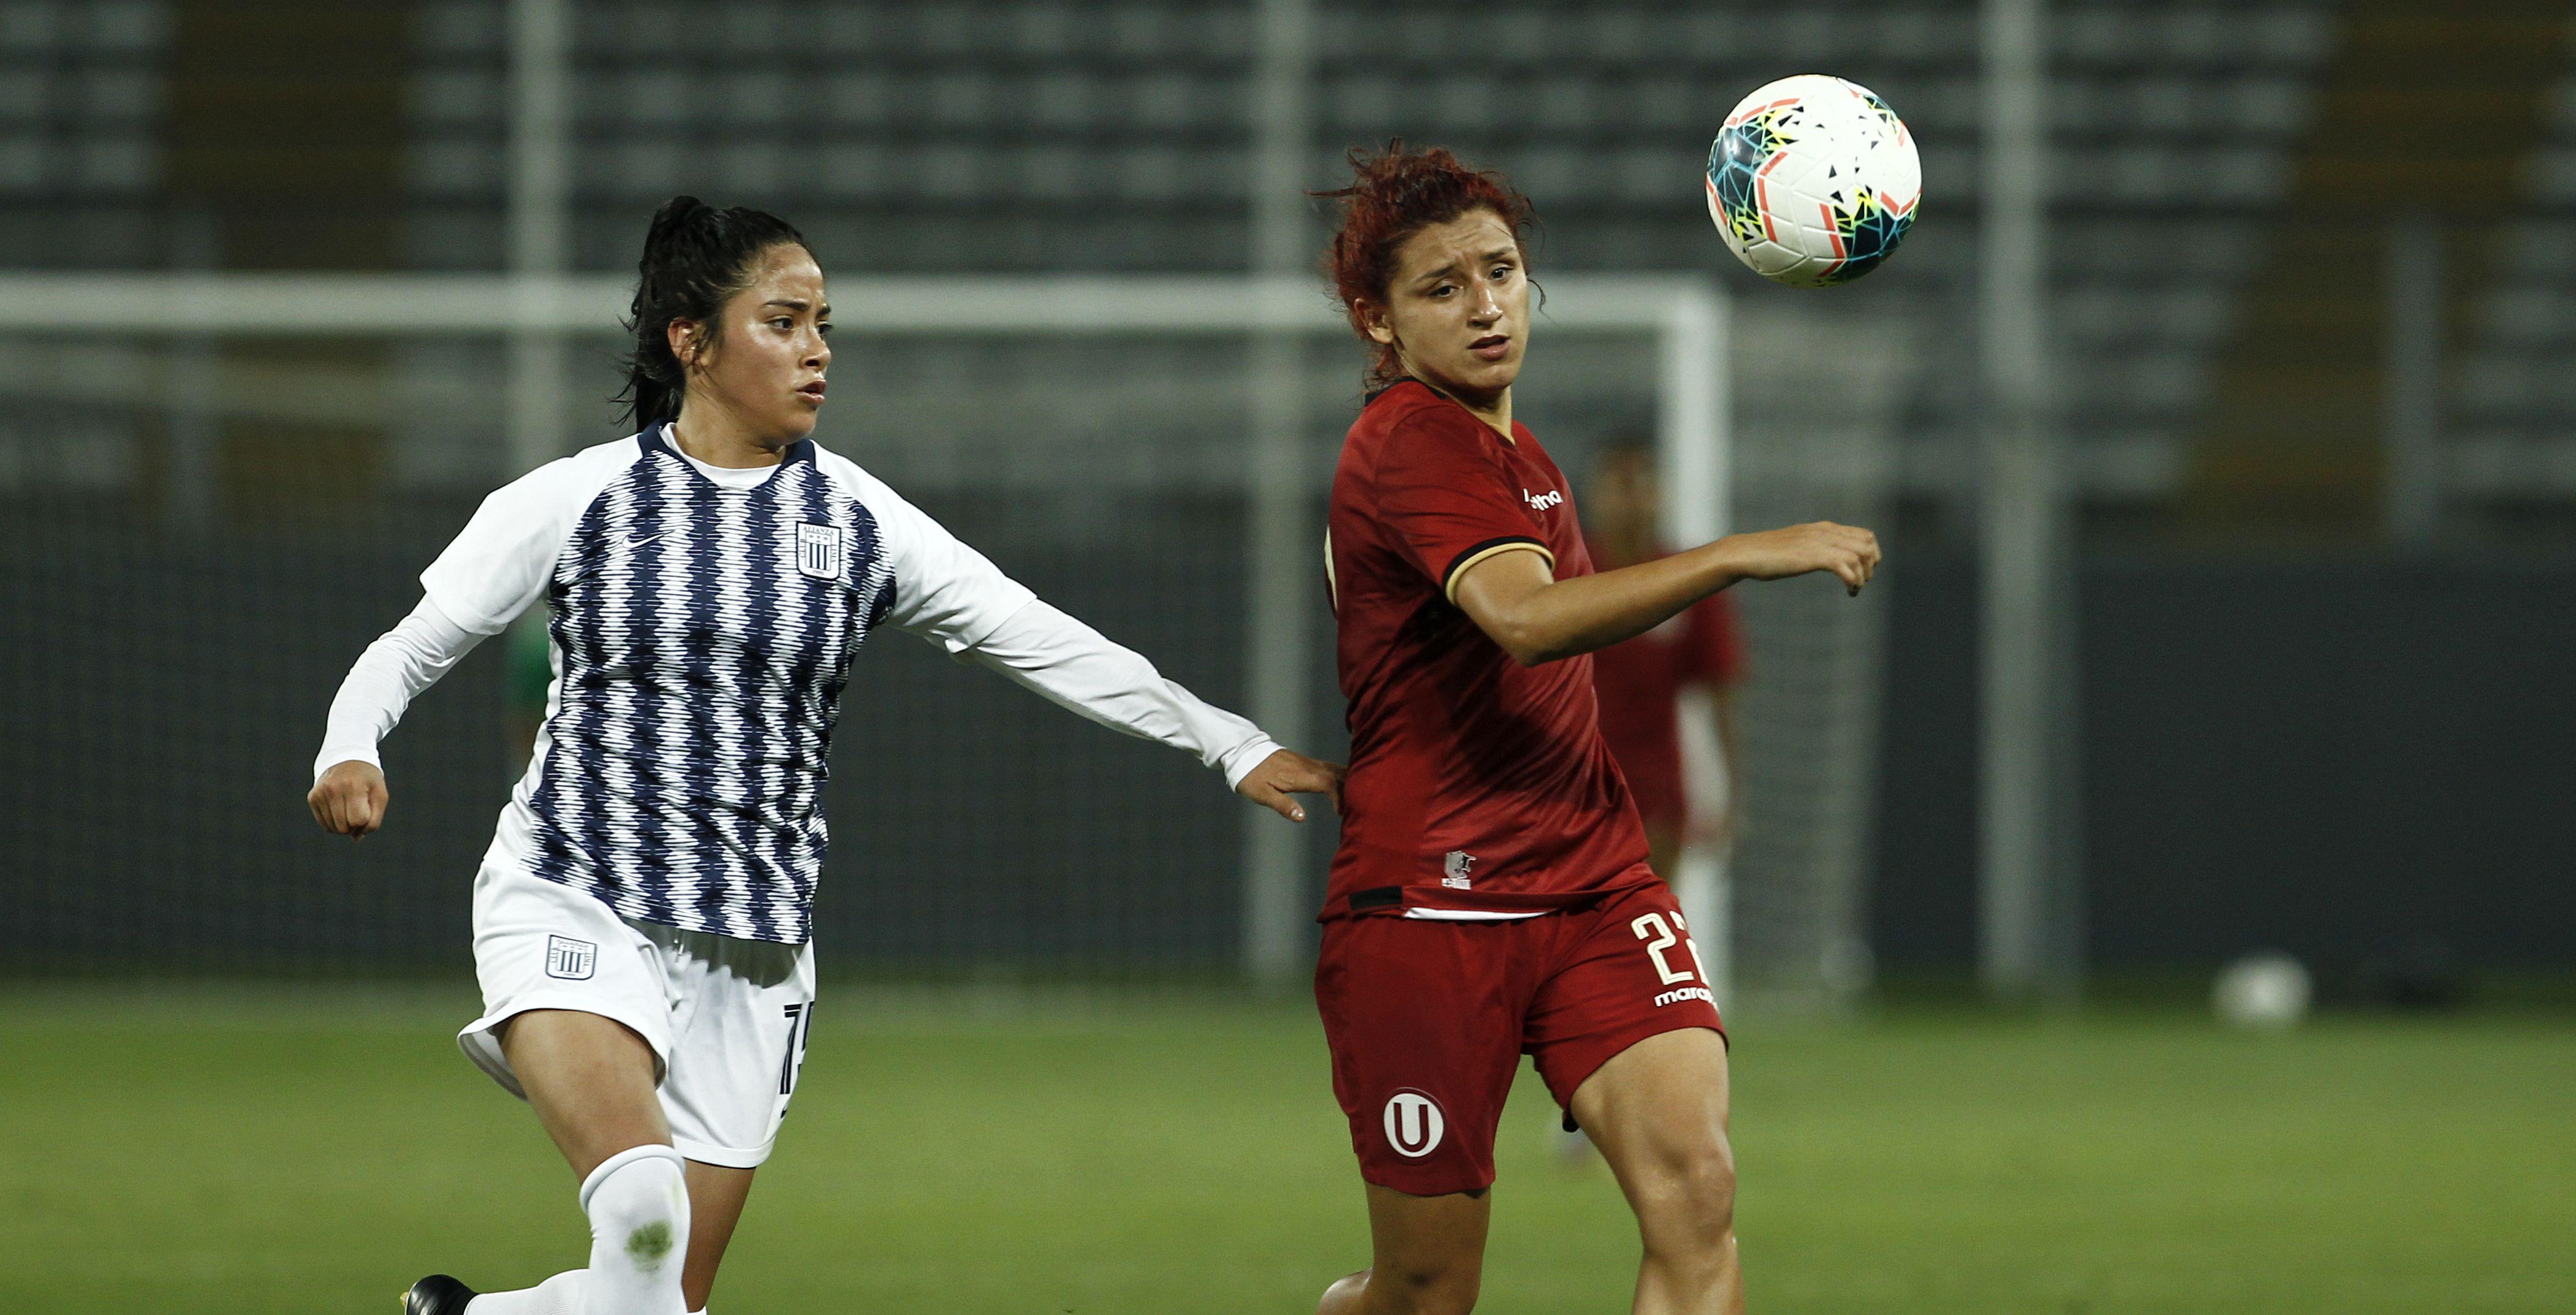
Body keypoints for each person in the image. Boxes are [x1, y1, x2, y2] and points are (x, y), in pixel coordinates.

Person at [306, 195, 1342, 1315]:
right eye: (784, 321)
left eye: (823, 325)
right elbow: (410, 647)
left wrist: (1223, 739)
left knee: (655, 1303)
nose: (816, 352)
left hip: (751, 951)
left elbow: (1037, 635)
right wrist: (349, 746)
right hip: (572, 897)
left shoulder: (858, 522)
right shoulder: (575, 500)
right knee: (642, 1217)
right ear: (691, 343)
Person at [1308, 145, 1878, 1315]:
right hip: (1433, 907)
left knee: (1696, 1193)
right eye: (1440, 288)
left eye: (1500, 272)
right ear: (1376, 319)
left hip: (1593, 887)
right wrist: (1729, 553)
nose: (1484, 308)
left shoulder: (1521, 460)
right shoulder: (1406, 444)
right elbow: (1519, 622)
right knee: (1422, 1291)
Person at [1585, 439, 1748, 879]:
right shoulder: (1564, 574)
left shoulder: (1687, 580)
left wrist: (1727, 796)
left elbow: (1720, 697)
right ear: (1597, 495)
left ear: (1661, 493)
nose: (1631, 498)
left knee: (1645, 920)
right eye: (1620, 485)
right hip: (1567, 787)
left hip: (1656, 793)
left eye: (1641, 484)